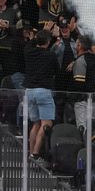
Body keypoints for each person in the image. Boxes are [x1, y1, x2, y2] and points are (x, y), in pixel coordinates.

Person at [24, 30, 59, 161]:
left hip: (29, 91)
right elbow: (57, 70)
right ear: (48, 42)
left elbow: (30, 44)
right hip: (43, 91)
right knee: (47, 124)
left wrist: (37, 37)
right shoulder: (50, 55)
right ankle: (35, 153)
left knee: (35, 123)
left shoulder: (28, 52)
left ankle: (31, 153)